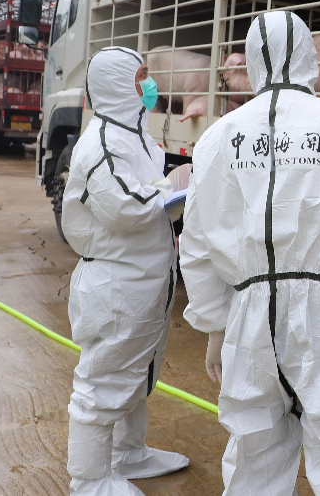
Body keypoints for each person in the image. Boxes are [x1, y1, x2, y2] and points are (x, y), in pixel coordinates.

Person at [179, 11, 320, 495]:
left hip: (250, 317)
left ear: (251, 63)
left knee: (253, 458)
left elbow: (195, 244)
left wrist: (216, 324)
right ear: (310, 57)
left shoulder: (218, 138)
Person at [60, 47, 191, 495]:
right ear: (118, 84)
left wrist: (172, 185)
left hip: (144, 276)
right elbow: (124, 207)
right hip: (117, 283)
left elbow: (146, 191)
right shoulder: (101, 144)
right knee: (103, 384)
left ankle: (128, 454)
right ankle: (90, 480)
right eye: (142, 77)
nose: (149, 86)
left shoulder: (135, 136)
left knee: (136, 373)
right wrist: (175, 192)